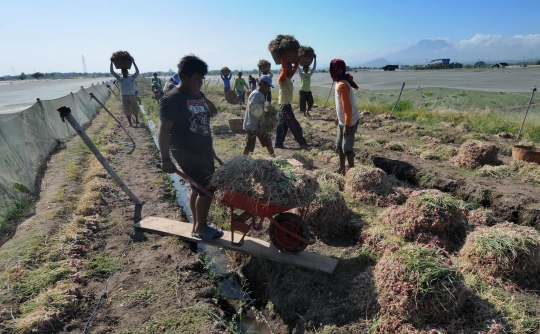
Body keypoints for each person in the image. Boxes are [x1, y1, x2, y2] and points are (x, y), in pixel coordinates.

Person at [158, 54, 224, 240]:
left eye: (202, 78)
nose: (200, 82)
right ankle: (202, 228)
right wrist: (165, 159)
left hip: (203, 149)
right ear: (183, 77)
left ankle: (197, 225)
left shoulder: (198, 95)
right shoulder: (172, 99)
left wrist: (210, 148)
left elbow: (203, 124)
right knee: (207, 188)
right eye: (197, 79)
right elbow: (163, 131)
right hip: (186, 151)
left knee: (198, 188)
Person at [330, 58, 360, 175]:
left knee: (347, 149)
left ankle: (352, 173)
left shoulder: (342, 84)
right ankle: (342, 169)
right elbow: (341, 105)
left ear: (336, 71)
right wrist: (338, 117)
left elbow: (348, 108)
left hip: (350, 121)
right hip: (343, 120)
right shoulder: (339, 82)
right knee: (339, 146)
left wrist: (347, 126)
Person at [274, 56, 308, 149]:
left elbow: (295, 68)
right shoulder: (282, 78)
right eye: (288, 68)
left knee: (282, 126)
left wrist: (296, 58)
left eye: (290, 68)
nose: (290, 70)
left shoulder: (288, 77)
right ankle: (302, 143)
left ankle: (278, 143)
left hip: (284, 105)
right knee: (293, 124)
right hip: (284, 106)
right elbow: (284, 70)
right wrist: (284, 56)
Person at [242, 75, 275, 157]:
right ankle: (243, 161)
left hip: (260, 125)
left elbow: (259, 108)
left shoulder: (261, 95)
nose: (268, 89)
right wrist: (264, 113)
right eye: (268, 86)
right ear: (263, 84)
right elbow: (251, 107)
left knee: (268, 142)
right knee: (249, 146)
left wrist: (266, 112)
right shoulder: (256, 94)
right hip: (252, 125)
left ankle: (274, 158)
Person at [110, 60, 140, 127]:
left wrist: (134, 63)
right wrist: (111, 63)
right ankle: (130, 123)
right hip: (124, 96)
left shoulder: (131, 78)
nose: (125, 73)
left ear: (127, 72)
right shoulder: (119, 78)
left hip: (132, 96)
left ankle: (137, 121)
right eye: (123, 72)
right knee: (126, 109)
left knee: (135, 108)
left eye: (126, 72)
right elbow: (112, 72)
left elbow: (137, 72)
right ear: (122, 73)